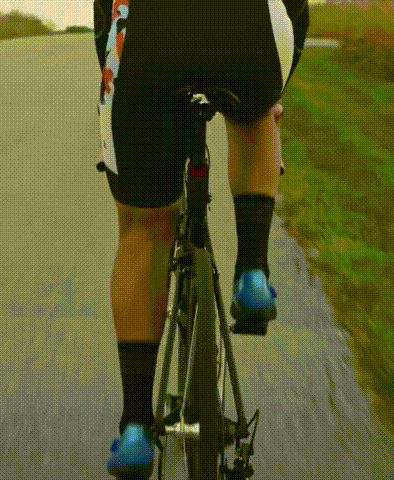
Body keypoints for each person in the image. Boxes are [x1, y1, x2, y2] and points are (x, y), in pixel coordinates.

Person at [93, 0, 309, 477]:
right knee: (258, 113)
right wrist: (272, 89)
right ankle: (252, 275)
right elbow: (295, 12)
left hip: (149, 35)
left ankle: (136, 430)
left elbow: (105, 16)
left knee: (143, 228)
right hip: (250, 29)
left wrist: (125, 101)